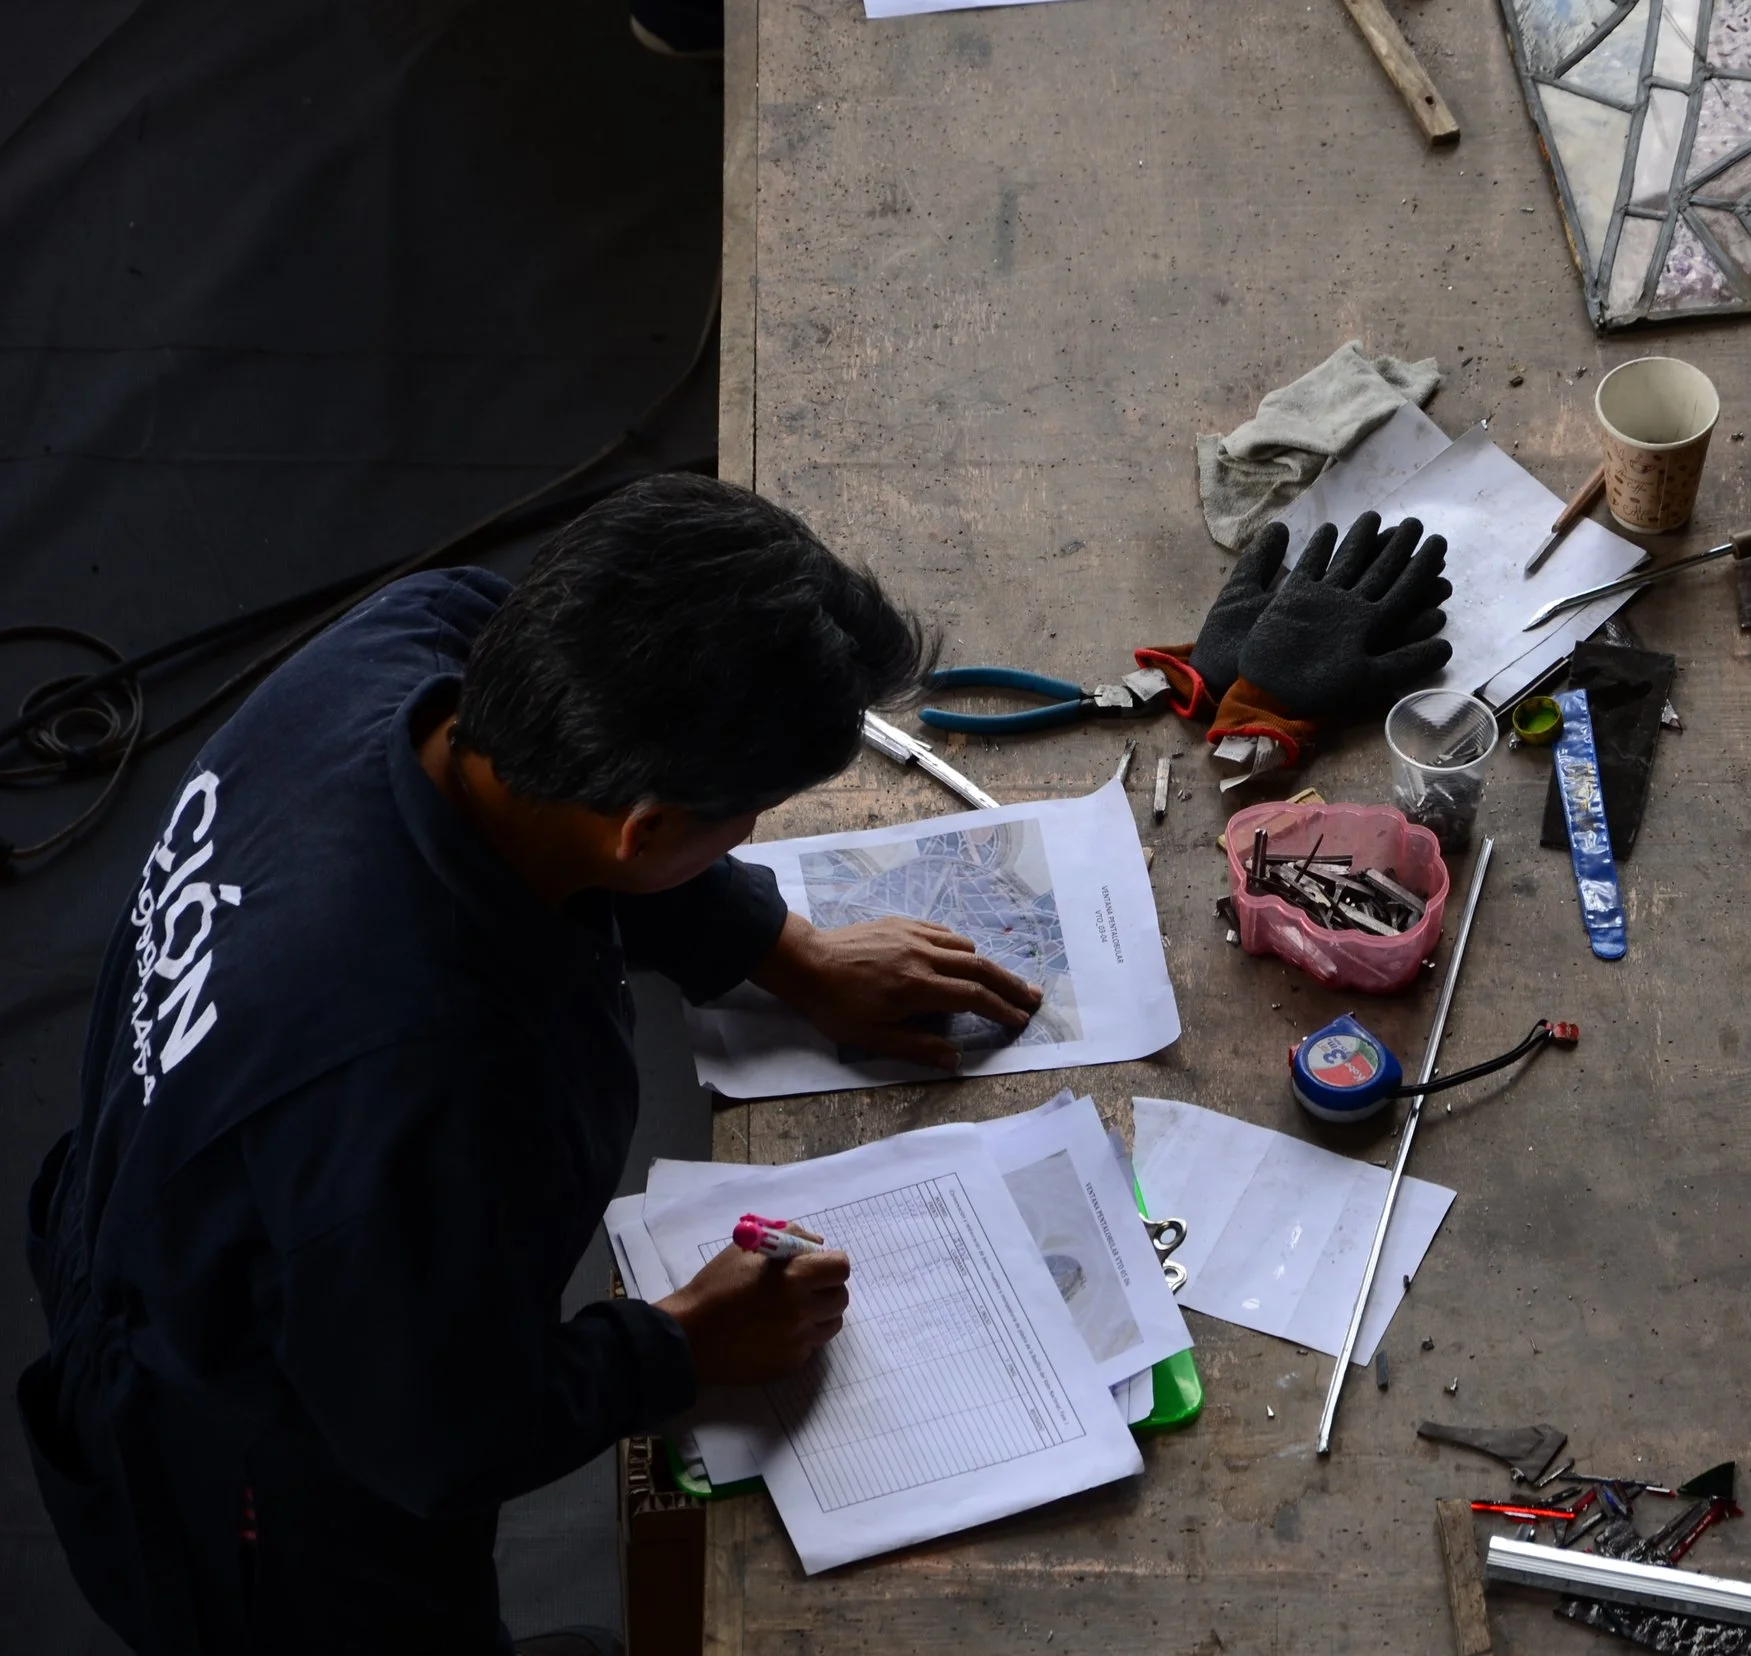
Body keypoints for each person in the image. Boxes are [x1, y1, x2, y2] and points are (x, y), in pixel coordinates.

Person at [17, 475, 1044, 1654]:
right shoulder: (438, 1077)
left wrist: (779, 947)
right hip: (251, 1476)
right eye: (745, 816)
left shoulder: (424, 643)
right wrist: (676, 1345)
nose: (750, 838)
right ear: (646, 831)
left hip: (184, 1191)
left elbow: (582, 816)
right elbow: (435, 1439)